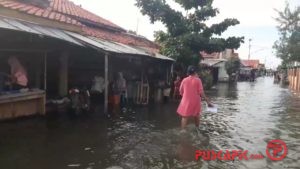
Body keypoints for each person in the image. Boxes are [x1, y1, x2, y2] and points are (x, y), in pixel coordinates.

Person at [177, 65, 213, 131]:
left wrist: (185, 96)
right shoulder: (198, 80)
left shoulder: (184, 80)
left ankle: (183, 131)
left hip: (186, 101)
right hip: (195, 101)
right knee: (196, 115)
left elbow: (180, 91)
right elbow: (201, 93)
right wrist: (208, 102)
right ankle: (197, 129)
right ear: (195, 72)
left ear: (188, 72)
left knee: (185, 116)